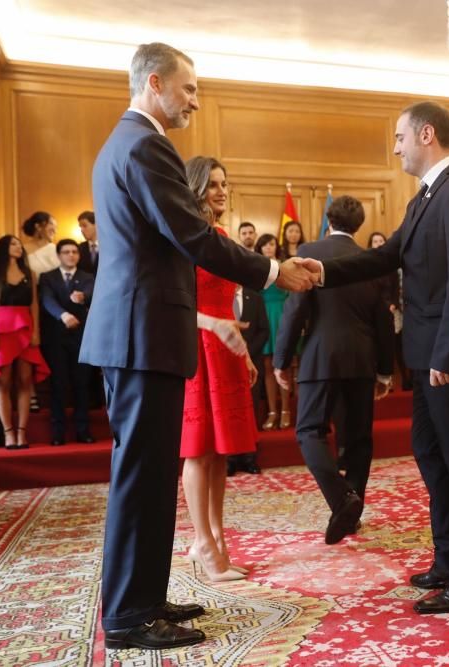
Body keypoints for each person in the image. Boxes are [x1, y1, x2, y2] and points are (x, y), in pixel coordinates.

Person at [79, 42, 316, 651]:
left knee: (152, 472)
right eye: (187, 89)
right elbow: (192, 236)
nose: (194, 100)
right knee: (141, 475)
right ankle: (130, 616)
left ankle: (144, 598)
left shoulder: (126, 143)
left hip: (140, 334)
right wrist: (271, 272)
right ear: (154, 82)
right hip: (141, 334)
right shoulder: (144, 143)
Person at [302, 101, 449, 614]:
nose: (395, 148)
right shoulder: (422, 201)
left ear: (426, 135)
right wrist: (322, 271)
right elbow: (384, 257)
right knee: (432, 458)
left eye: (398, 138)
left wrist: (448, 352)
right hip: (425, 354)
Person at [276, 196, 394, 544]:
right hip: (361, 359)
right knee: (358, 440)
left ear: (329, 218)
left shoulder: (310, 251)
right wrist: (385, 371)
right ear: (358, 225)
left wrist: (282, 360)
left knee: (309, 430)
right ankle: (351, 515)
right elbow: (383, 319)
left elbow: (294, 309)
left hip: (320, 357)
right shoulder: (372, 259)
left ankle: (342, 499)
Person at [179, 155, 261, 584]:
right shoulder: (182, 238)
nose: (222, 190)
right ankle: (204, 542)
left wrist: (243, 351)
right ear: (195, 189)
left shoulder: (223, 235)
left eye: (225, 183)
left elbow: (228, 302)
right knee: (197, 449)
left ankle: (212, 538)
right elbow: (172, 305)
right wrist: (211, 325)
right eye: (213, 184)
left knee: (218, 453)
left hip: (225, 346)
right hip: (195, 345)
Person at [0, 235, 51, 449]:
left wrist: (36, 331)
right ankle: (8, 433)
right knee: (3, 381)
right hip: (1, 330)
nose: (18, 247)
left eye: (20, 244)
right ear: (3, 248)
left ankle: (22, 433)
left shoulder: (30, 273)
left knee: (25, 380)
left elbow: (34, 305)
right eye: (13, 244)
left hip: (25, 329)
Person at [39, 239, 95, 445]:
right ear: (59, 255)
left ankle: (83, 431)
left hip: (82, 338)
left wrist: (83, 297)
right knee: (58, 385)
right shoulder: (48, 277)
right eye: (66, 252)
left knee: (82, 385)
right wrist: (63, 315)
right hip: (56, 339)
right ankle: (58, 433)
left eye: (74, 252)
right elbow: (47, 300)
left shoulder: (88, 277)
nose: (71, 255)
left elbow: (91, 293)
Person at [228, 283, 269, 476]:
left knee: (250, 409)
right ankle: (230, 459)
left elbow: (264, 330)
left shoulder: (255, 296)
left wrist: (246, 354)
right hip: (224, 361)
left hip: (251, 362)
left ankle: (250, 457)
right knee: (228, 410)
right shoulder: (220, 297)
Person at [255, 233, 294, 430]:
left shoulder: (284, 266)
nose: (268, 248)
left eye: (272, 244)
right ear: (259, 248)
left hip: (282, 316)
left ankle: (286, 410)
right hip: (263, 318)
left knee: (284, 365)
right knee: (268, 367)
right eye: (264, 245)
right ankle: (272, 412)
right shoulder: (256, 266)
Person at [368, 230, 410, 390]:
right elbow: (371, 291)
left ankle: (406, 380)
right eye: (375, 241)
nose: (379, 243)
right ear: (370, 245)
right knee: (380, 348)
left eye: (381, 241)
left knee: (398, 347)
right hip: (376, 311)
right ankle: (385, 382)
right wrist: (384, 306)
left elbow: (396, 288)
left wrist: (393, 304)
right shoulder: (368, 266)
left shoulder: (391, 264)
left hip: (394, 310)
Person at [21, 211, 61, 277]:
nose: (55, 231)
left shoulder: (57, 249)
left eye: (56, 227)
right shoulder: (22, 250)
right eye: (51, 225)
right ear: (38, 226)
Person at [77, 211, 100, 275]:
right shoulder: (78, 248)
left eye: (84, 225)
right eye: (80, 227)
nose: (81, 230)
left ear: (96, 225)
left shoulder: (110, 247)